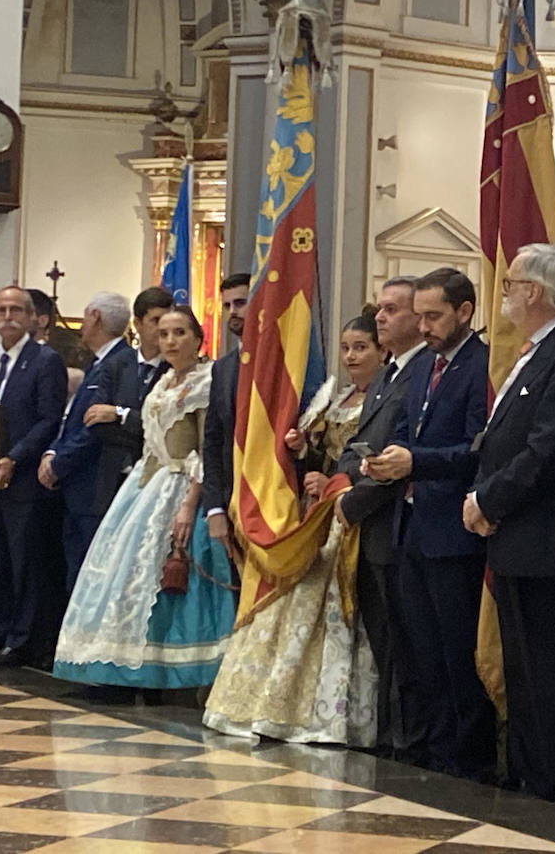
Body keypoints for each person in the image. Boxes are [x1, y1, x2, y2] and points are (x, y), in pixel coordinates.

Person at [464, 244, 555, 806]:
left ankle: (553, 781)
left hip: (541, 537)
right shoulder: (536, 351)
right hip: (515, 538)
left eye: (510, 283)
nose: (505, 294)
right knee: (522, 666)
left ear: (535, 292)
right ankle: (525, 770)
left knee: (547, 667)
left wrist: (488, 501)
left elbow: (548, 450)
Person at [203, 314, 384, 744]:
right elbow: (324, 459)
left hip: (350, 514)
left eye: (361, 347)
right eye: (346, 347)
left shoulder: (382, 399)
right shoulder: (333, 399)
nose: (352, 356)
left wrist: (332, 481)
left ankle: (336, 714)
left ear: (382, 351)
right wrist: (307, 454)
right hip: (318, 515)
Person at [54, 306, 234, 688]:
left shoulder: (207, 379)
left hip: (183, 485)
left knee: (171, 578)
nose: (170, 341)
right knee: (125, 574)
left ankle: (170, 673)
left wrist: (189, 505)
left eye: (180, 333)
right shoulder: (164, 381)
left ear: (198, 339)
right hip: (146, 482)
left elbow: (206, 448)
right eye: (164, 333)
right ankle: (122, 671)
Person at [365, 267, 494, 781]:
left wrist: (415, 462)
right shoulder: (422, 367)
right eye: (418, 316)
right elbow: (403, 432)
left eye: (434, 316)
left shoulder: (482, 367)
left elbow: (476, 450)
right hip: (413, 526)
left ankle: (469, 758)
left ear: (465, 311)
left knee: (458, 651)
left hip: (454, 531)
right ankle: (436, 752)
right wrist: (382, 460)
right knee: (423, 651)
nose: (423, 327)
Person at [335, 278, 429, 758]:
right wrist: (342, 478)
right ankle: (390, 732)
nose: (381, 317)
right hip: (371, 531)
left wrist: (351, 500)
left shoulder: (421, 373)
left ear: (419, 317)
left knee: (403, 642)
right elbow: (361, 446)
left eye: (392, 309)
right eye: (381, 309)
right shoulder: (389, 375)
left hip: (395, 525)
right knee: (383, 639)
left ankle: (407, 740)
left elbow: (401, 450)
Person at [0, 286, 67, 669]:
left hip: (22, 478)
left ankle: (22, 640)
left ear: (30, 316)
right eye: (0, 309)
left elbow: (48, 419)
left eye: (15, 309)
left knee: (24, 559)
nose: (7, 316)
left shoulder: (45, 361)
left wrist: (15, 458)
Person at [39, 292, 132, 590]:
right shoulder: (97, 363)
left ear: (95, 317)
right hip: (78, 487)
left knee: (89, 577)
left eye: (85, 316)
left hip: (96, 487)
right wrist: (53, 451)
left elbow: (94, 428)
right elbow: (74, 419)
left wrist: (59, 463)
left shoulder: (120, 363)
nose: (81, 325)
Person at [85, 287, 173, 517]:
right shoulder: (117, 364)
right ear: (138, 324)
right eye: (156, 320)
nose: (163, 328)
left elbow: (166, 428)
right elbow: (96, 422)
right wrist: (140, 428)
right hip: (112, 477)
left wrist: (120, 414)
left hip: (154, 479)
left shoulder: (175, 370)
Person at [200, 273, 250, 554]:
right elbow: (213, 440)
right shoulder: (223, 367)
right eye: (228, 305)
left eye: (241, 303)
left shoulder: (287, 361)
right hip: (231, 504)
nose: (233, 312)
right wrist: (215, 507)